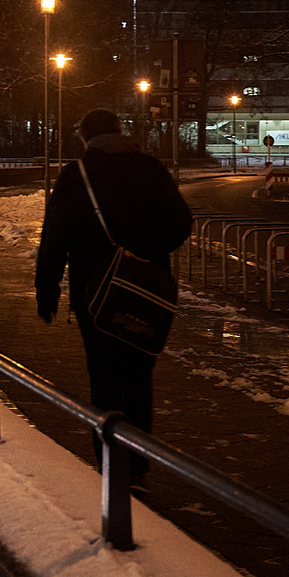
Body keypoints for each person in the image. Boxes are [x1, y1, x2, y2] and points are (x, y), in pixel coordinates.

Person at [35, 108, 193, 484]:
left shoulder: (78, 174)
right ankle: (138, 459)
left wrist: (47, 291)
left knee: (103, 375)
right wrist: (147, 253)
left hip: (95, 293)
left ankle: (110, 461)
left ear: (86, 138)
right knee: (139, 374)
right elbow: (182, 222)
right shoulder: (151, 168)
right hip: (146, 291)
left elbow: (54, 236)